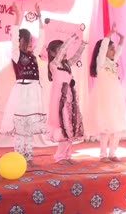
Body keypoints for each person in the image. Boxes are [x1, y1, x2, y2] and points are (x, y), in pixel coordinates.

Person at [0, 2, 47, 166]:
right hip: (21, 91)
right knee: (20, 127)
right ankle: (19, 156)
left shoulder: (34, 55)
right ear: (20, 41)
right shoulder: (16, 54)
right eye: (25, 41)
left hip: (33, 91)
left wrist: (40, 18)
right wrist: (18, 17)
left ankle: (28, 155)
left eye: (29, 41)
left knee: (30, 125)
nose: (28, 44)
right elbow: (13, 37)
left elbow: (42, 38)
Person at [87, 23, 126, 163]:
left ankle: (113, 153)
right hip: (104, 97)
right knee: (106, 126)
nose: (113, 51)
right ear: (104, 50)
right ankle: (103, 154)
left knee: (116, 126)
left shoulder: (113, 62)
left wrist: (122, 40)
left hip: (116, 97)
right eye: (110, 49)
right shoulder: (101, 63)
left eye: (113, 49)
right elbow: (102, 50)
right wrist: (109, 35)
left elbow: (119, 51)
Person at [46, 34, 87, 164]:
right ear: (52, 53)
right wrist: (70, 40)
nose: (63, 51)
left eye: (63, 49)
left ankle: (67, 155)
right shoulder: (54, 64)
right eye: (60, 49)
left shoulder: (66, 65)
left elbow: (75, 57)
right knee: (63, 125)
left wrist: (82, 46)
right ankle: (60, 156)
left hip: (70, 98)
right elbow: (62, 53)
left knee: (70, 125)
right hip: (60, 100)